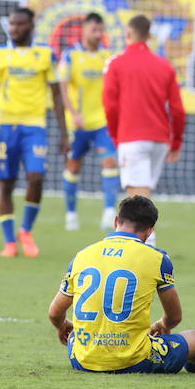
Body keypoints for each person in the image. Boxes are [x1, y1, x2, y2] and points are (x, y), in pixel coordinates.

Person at [47, 194, 195, 374]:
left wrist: (62, 326)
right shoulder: (157, 259)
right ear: (149, 232)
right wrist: (162, 324)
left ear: (116, 221)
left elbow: (55, 313)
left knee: (78, 333)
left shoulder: (83, 255)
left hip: (82, 360)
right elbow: (174, 317)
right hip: (134, 361)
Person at [0, 6, 67, 258]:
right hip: (6, 126)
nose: (13, 29)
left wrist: (65, 134)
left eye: (19, 24)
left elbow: (56, 94)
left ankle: (26, 231)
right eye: (11, 24)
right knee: (6, 184)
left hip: (35, 126)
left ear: (31, 26)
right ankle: (9, 242)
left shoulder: (45, 55)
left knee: (36, 177)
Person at [102, 15, 185, 245]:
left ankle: (149, 249)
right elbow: (177, 109)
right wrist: (176, 141)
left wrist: (116, 134)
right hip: (160, 139)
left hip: (132, 136)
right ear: (149, 36)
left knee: (138, 197)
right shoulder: (164, 66)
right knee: (143, 192)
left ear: (128, 34)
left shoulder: (116, 63)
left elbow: (110, 104)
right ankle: (145, 247)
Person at [59, 12, 120, 232]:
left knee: (110, 162)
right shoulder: (70, 56)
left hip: (102, 122)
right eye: (94, 30)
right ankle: (71, 213)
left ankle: (108, 212)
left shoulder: (107, 56)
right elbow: (63, 88)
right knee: (74, 166)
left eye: (101, 30)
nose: (98, 34)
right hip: (78, 123)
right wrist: (73, 113)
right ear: (84, 30)